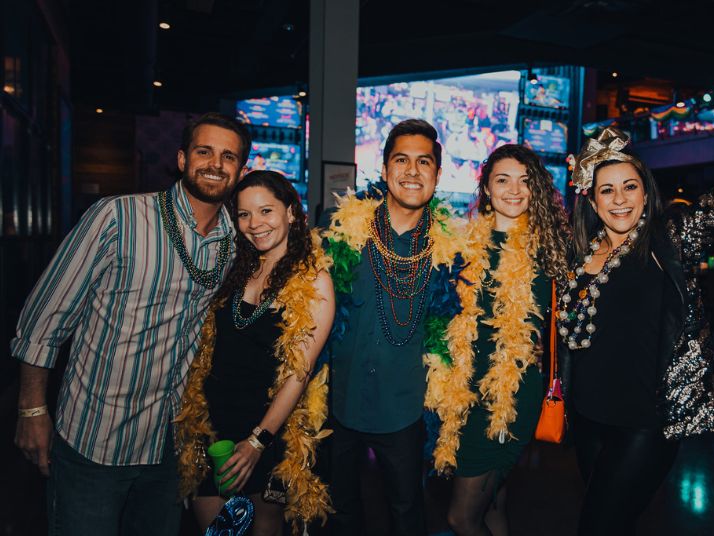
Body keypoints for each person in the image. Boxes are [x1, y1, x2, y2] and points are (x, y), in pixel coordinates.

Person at [557, 99, 714, 536]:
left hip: (646, 422)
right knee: (616, 522)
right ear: (592, 201)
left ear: (646, 193)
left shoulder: (672, 240)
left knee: (595, 525)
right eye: (606, 189)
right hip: (587, 416)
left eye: (629, 187)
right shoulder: (578, 253)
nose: (619, 199)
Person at [10, 112, 251, 536]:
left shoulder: (237, 243)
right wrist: (32, 408)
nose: (215, 163)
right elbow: (44, 317)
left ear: (241, 170)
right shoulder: (118, 217)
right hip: (94, 439)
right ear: (181, 159)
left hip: (169, 447)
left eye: (228, 156)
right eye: (204, 151)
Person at [322, 119, 464, 535]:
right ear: (384, 170)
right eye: (401, 160)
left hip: (403, 410)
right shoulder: (344, 234)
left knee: (407, 514)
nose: (412, 171)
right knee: (340, 513)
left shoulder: (452, 251)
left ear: (437, 175)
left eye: (424, 162)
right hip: (340, 404)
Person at [175, 171, 335, 535]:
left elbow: (299, 371)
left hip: (269, 433)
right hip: (211, 427)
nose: (254, 224)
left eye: (266, 211)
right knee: (216, 530)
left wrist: (257, 441)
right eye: (244, 214)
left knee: (264, 527)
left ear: (291, 212)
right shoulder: (237, 265)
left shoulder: (313, 281)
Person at [426, 144, 570, 536]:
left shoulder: (548, 247)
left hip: (509, 392)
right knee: (492, 505)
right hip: (464, 386)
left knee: (461, 518)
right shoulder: (463, 243)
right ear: (486, 188)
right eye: (502, 180)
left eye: (525, 181)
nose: (514, 190)